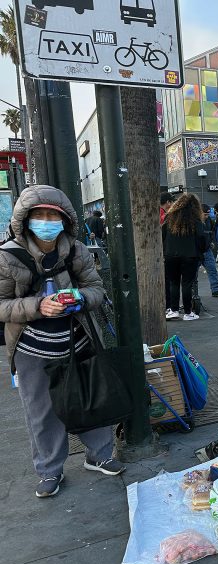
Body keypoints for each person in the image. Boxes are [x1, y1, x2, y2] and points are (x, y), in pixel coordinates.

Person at [0, 185, 124, 498]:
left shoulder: (76, 250)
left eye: (52, 215)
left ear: (64, 219)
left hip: (76, 339)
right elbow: (1, 305)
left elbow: (97, 289)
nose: (46, 220)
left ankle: (100, 454)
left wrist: (81, 297)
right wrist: (37, 306)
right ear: (25, 219)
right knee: (41, 410)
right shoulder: (7, 256)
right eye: (39, 215)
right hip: (32, 348)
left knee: (91, 396)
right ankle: (49, 470)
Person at [162, 194, 208, 321]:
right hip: (190, 256)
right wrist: (200, 251)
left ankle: (174, 310)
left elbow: (162, 236)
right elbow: (202, 239)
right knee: (187, 284)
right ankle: (188, 313)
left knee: (173, 283)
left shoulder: (170, 218)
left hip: (171, 255)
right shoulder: (196, 221)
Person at [199, 204, 218, 299]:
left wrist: (211, 242)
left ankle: (215, 290)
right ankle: (193, 292)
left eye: (208, 214)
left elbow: (212, 232)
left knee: (212, 270)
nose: (206, 216)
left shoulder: (209, 220)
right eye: (205, 214)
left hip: (207, 249)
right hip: (197, 251)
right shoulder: (194, 222)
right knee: (192, 274)